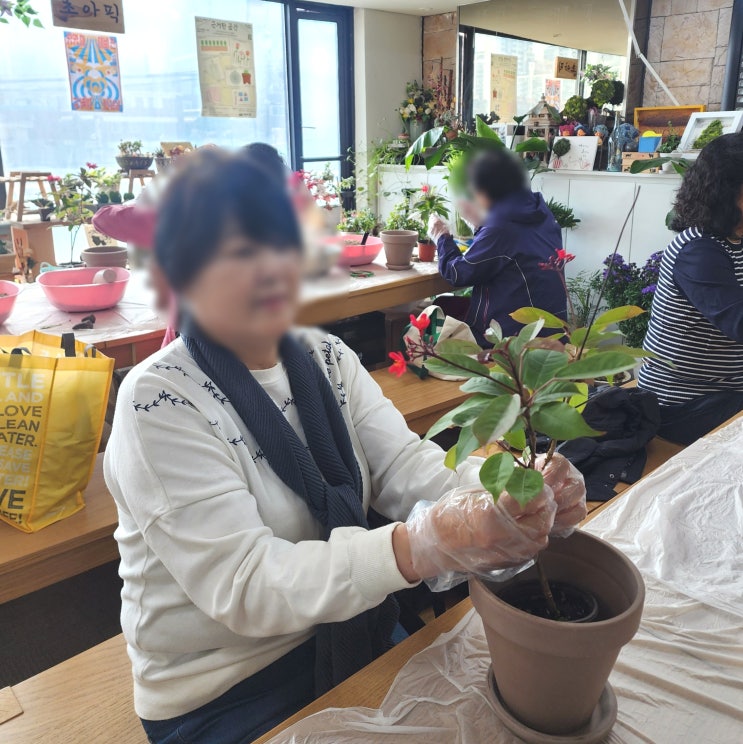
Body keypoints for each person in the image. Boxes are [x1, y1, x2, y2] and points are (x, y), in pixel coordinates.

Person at [104, 148, 586, 744]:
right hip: (223, 686)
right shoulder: (158, 402)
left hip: (349, 627)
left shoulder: (324, 357)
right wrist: (418, 546)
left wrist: (509, 495)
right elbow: (246, 584)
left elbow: (404, 466)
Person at [638, 132, 743, 445]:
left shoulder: (735, 237)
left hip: (726, 389)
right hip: (685, 403)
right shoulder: (699, 250)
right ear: (727, 193)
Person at [428, 149, 567, 346]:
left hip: (511, 342)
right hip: (553, 335)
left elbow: (457, 273)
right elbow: (505, 251)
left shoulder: (501, 227)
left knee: (427, 322)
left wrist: (441, 236)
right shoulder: (541, 214)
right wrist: (480, 225)